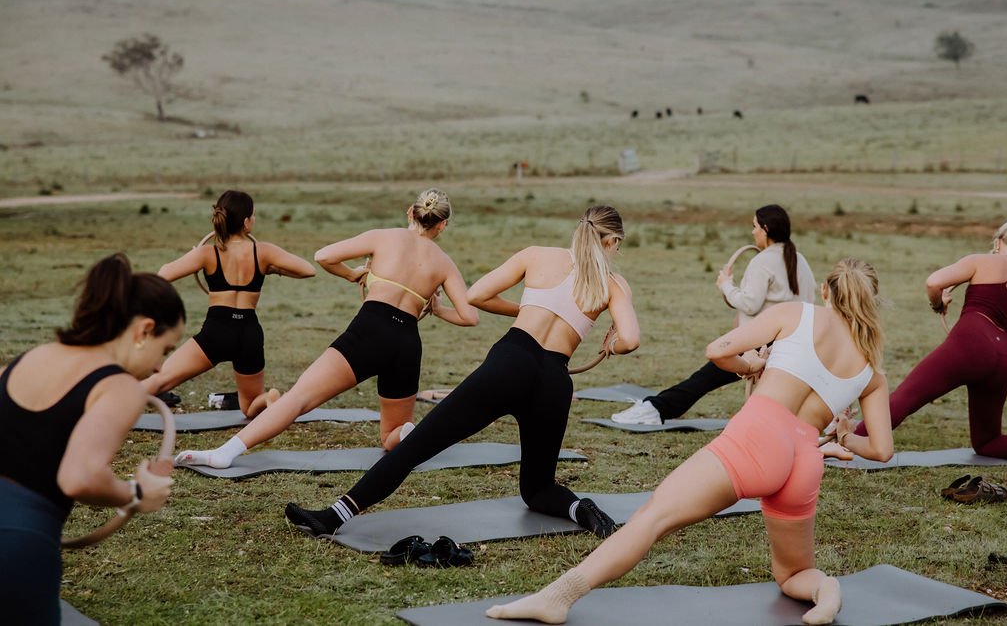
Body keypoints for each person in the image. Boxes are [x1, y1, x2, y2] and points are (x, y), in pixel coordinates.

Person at [487, 258, 893, 626]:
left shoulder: (797, 313)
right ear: (870, 300)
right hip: (804, 459)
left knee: (652, 518)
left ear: (826, 290)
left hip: (759, 437)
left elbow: (718, 351)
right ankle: (825, 589)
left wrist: (751, 363)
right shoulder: (871, 369)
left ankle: (558, 598)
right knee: (793, 575)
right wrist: (842, 436)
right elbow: (881, 450)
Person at [283, 205, 640, 539]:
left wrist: (529, 307)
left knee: (418, 445)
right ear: (613, 242)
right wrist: (611, 344)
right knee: (538, 488)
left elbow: (477, 295)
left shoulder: (537, 255)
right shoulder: (614, 284)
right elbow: (630, 340)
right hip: (554, 381)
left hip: (511, 362)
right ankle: (580, 508)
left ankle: (334, 515)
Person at [175, 188, 478, 467]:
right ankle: (409, 433)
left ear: (410, 213)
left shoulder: (385, 236)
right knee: (391, 435)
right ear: (442, 225)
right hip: (408, 342)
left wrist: (351, 275)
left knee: (298, 399)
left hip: (370, 330)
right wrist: (437, 309)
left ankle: (224, 453)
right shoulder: (444, 262)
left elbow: (323, 256)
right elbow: (469, 317)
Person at [0, 254, 184, 626]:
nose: (160, 368)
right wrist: (136, 494)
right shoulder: (118, 387)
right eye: (165, 350)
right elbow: (80, 477)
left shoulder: (29, 359)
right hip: (18, 541)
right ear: (144, 330)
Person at [612, 204, 816, 425]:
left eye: (754, 226)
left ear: (765, 229)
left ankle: (653, 409)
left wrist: (726, 285)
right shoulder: (800, 259)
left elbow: (749, 304)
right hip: (792, 342)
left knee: (704, 378)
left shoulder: (763, 261)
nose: (752, 231)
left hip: (759, 345)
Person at [853, 213, 1007, 462]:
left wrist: (938, 303)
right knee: (988, 440)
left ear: (997, 243)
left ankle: (846, 439)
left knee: (906, 398)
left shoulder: (982, 260)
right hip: (1002, 357)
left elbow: (934, 282)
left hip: (971, 343)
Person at [141, 190, 316, 418]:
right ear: (246, 222)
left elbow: (163, 274)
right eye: (252, 216)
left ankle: (107, 403)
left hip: (217, 331)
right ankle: (269, 398)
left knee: (161, 378)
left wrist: (192, 256)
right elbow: (308, 270)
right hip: (249, 333)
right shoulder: (263, 251)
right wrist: (273, 269)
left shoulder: (208, 253)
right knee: (249, 406)